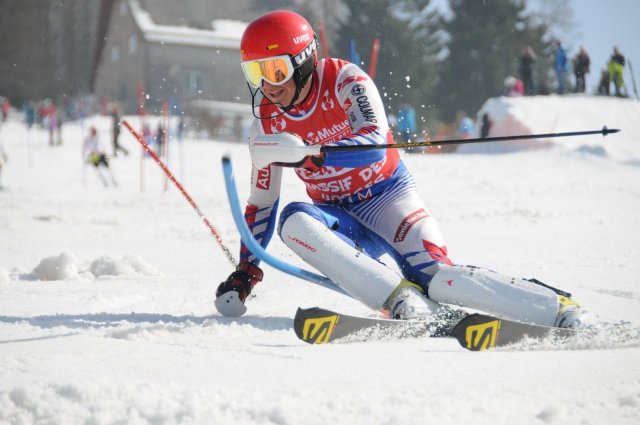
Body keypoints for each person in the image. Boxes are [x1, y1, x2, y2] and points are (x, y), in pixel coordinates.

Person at [215, 10, 588, 330]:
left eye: (276, 70)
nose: (268, 85)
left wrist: (309, 155)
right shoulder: (265, 125)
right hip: (338, 219)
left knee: (438, 279)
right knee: (293, 222)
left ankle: (556, 308)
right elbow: (262, 203)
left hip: (387, 199)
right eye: (256, 72)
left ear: (304, 60)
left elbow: (375, 144)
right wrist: (247, 270)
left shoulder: (346, 81)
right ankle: (401, 299)